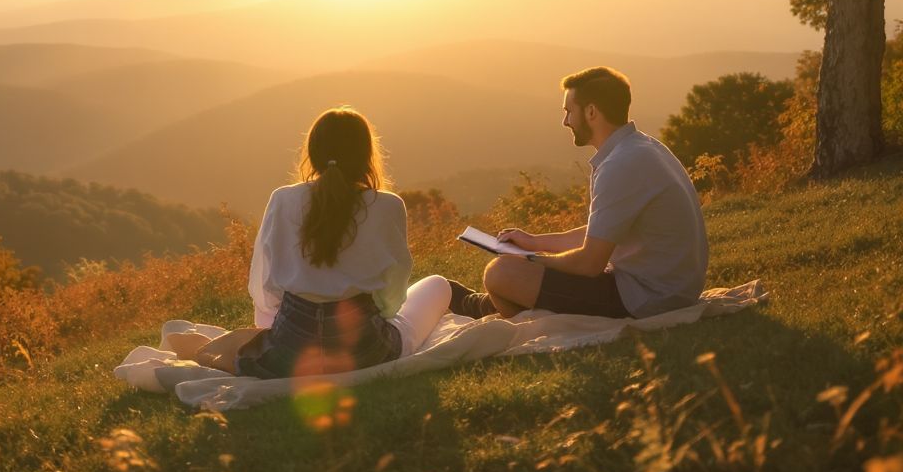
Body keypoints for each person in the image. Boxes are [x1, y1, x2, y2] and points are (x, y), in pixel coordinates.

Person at [448, 66, 708, 321]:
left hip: (649, 298)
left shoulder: (620, 165)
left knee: (501, 272)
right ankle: (490, 304)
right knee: (510, 272)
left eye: (569, 111)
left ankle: (491, 308)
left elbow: (589, 264)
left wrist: (531, 260)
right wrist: (534, 241)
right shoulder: (642, 147)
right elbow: (600, 234)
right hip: (669, 288)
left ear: (591, 112)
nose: (565, 121)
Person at [228, 106, 452, 379]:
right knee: (439, 284)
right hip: (365, 350)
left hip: (291, 351)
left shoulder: (282, 199)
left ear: (312, 153)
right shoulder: (388, 205)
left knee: (271, 313)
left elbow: (264, 286)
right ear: (366, 155)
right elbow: (393, 293)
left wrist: (280, 323)